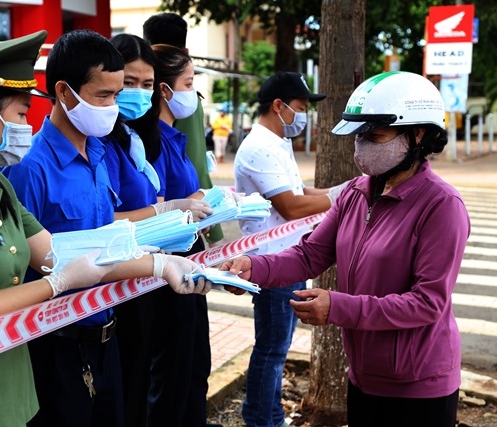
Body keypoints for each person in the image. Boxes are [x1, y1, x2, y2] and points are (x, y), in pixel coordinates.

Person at [0, 30, 208, 427]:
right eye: (21, 114)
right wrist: (54, 285)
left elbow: (57, 252)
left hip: (9, 386)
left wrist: (161, 266)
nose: (26, 125)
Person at [222, 71, 470, 427]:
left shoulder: (441, 206)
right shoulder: (356, 193)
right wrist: (252, 267)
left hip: (419, 385)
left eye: (375, 136)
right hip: (364, 375)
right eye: (359, 137)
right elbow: (309, 254)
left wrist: (338, 307)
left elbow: (428, 302)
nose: (362, 148)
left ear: (417, 134)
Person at [2, 30, 209, 427]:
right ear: (64, 92)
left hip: (107, 333)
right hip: (56, 343)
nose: (113, 106)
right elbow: (30, 261)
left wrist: (160, 261)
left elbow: (108, 238)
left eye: (118, 94)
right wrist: (158, 264)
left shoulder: (98, 152)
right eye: (104, 95)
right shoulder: (31, 168)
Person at [101, 33, 213, 427]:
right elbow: (103, 221)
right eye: (128, 83)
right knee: (140, 384)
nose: (136, 93)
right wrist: (169, 208)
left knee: (177, 372)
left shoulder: (138, 139)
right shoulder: (103, 143)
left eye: (145, 85)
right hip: (122, 280)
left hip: (156, 268)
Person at [233, 71, 347, 427]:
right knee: (271, 350)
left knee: (276, 348)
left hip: (286, 259)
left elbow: (301, 193)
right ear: (278, 106)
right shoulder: (259, 148)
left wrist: (342, 191)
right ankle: (260, 420)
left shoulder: (276, 143)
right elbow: (292, 207)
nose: (303, 117)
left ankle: (271, 415)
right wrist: (340, 200)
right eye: (300, 108)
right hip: (273, 262)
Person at [142, 43, 213, 427]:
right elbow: (158, 207)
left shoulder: (174, 137)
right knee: (171, 375)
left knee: (194, 370)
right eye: (188, 83)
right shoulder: (151, 142)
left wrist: (203, 200)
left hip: (189, 263)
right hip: (167, 271)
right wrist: (184, 205)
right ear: (165, 91)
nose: (194, 94)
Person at [143, 12, 224, 245]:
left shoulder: (171, 133)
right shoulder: (156, 138)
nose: (191, 90)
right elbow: (196, 164)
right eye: (189, 84)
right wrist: (212, 225)